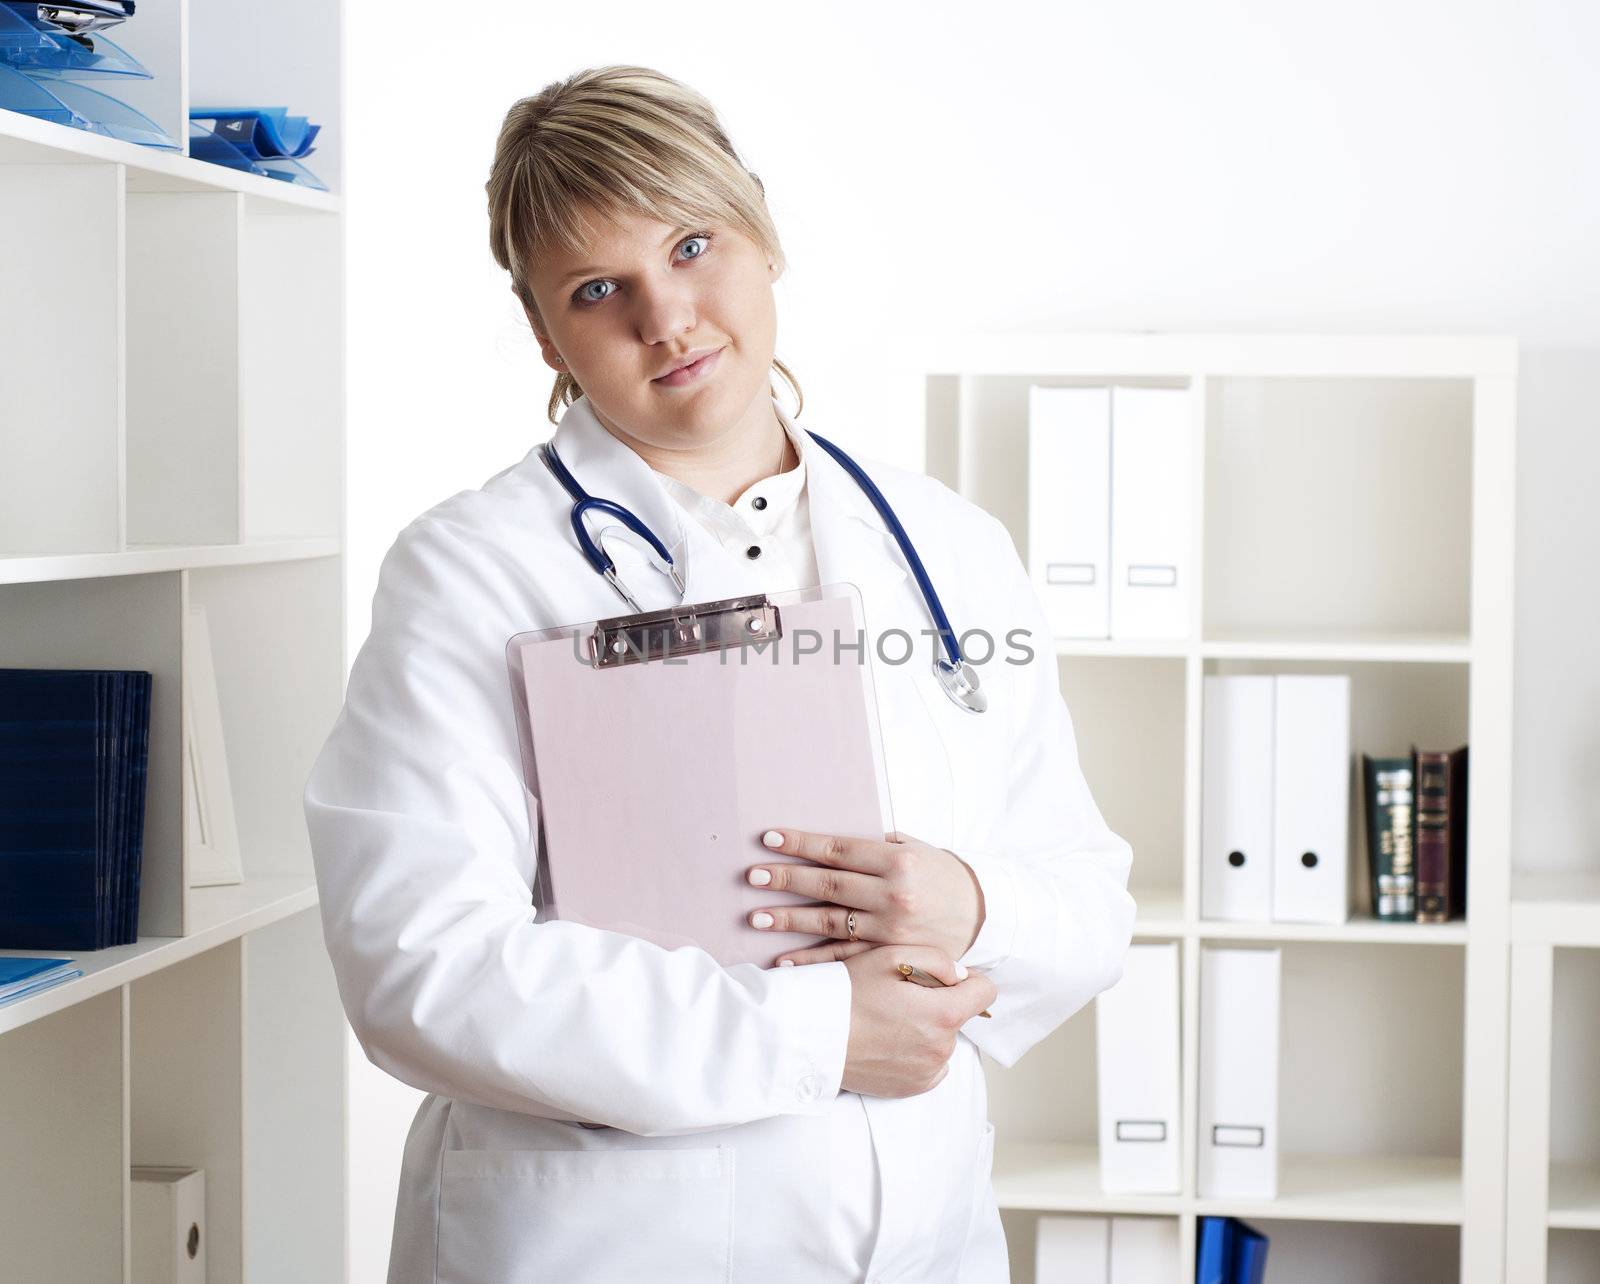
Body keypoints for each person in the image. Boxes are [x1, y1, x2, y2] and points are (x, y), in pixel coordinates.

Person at [303, 63, 1135, 1284]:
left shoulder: (947, 546)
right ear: (545, 333)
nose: (667, 317)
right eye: (600, 289)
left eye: (693, 245)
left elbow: (1089, 899)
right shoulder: (472, 573)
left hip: (928, 1238)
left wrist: (970, 902)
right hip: (610, 1243)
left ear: (763, 233)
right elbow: (419, 969)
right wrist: (817, 1034)